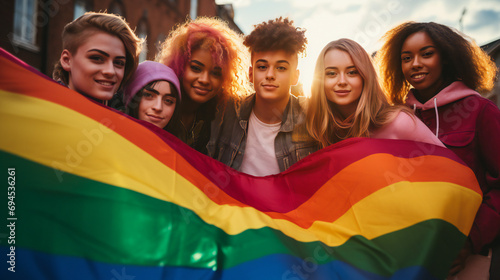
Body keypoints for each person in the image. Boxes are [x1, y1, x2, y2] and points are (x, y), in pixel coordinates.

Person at [376, 21, 500, 279]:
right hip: (410, 254)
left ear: (447, 56)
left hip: (469, 257)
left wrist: (470, 240)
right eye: (406, 58)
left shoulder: (480, 111)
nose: (415, 64)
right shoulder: (394, 118)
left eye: (427, 53)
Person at [208, 17, 320, 176]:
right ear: (251, 74)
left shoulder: (312, 120)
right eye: (262, 67)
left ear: (295, 77)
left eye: (281, 68)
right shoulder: (226, 112)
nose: (270, 75)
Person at [306, 38, 444, 148]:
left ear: (365, 77)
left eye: (352, 72)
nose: (342, 81)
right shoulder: (319, 131)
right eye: (331, 73)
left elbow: (448, 166)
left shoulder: (400, 122)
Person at [156, 17, 251, 154]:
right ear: (180, 66)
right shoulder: (157, 103)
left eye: (215, 73)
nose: (205, 80)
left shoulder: (221, 116)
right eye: (196, 68)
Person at [52, 12, 141, 104]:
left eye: (118, 63)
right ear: (67, 61)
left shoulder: (123, 116)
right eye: (97, 58)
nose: (110, 71)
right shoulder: (41, 111)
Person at [122, 61, 181, 129]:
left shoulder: (177, 139)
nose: (158, 107)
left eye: (168, 100)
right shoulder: (111, 134)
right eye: (149, 95)